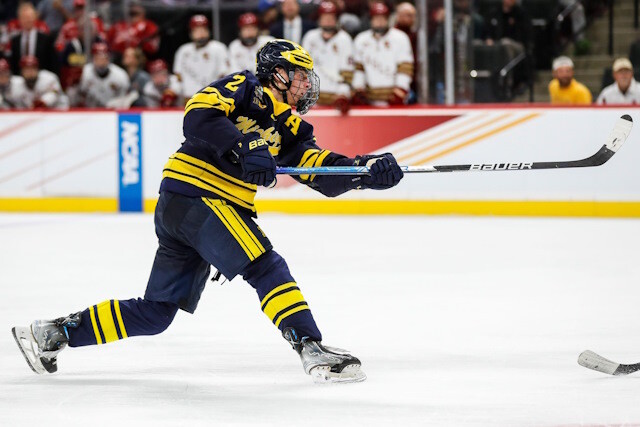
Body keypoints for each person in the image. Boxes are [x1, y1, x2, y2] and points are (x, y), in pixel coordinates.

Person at [12, 39, 403, 384]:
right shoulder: (244, 87)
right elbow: (197, 115)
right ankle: (311, 347)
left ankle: (54, 333)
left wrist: (363, 172)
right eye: (300, 75)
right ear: (278, 74)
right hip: (200, 197)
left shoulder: (291, 127)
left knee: (157, 313)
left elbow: (318, 171)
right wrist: (244, 145)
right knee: (265, 267)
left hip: (187, 210)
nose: (306, 84)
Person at [352, 2, 413, 106]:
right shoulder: (361, 40)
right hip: (369, 99)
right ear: (371, 20)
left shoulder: (400, 38)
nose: (379, 22)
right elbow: (358, 69)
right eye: (376, 18)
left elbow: (405, 68)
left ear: (388, 19)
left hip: (394, 98)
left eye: (382, 18)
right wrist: (358, 89)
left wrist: (400, 89)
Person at [301, 1, 353, 113]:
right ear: (319, 19)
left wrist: (343, 94)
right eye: (325, 17)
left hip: (335, 97)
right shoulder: (310, 37)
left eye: (331, 17)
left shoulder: (345, 39)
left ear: (337, 19)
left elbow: (347, 73)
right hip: (311, 97)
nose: (328, 20)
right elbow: (303, 69)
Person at [173, 14, 229, 103]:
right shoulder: (183, 51)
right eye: (197, 31)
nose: (201, 34)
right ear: (191, 33)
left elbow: (225, 75)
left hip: (213, 100)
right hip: (189, 100)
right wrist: (172, 92)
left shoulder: (219, 48)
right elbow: (177, 78)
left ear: (208, 31)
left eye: (203, 30)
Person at [8, 2, 58, 74]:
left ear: (35, 18)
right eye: (25, 17)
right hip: (21, 80)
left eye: (30, 17)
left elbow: (53, 63)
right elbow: (13, 64)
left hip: (42, 78)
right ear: (19, 20)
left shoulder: (46, 39)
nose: (28, 20)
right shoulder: (15, 40)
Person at [78, 42, 130, 107]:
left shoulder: (120, 75)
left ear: (109, 58)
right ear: (93, 58)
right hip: (90, 111)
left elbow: (124, 97)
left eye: (104, 58)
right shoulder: (84, 72)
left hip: (113, 111)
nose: (101, 62)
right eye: (98, 58)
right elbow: (78, 94)